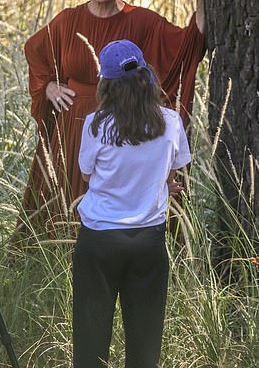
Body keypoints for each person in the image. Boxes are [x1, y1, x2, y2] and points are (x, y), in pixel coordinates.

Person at [17, 0, 205, 237]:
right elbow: (34, 50)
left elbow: (188, 45)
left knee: (114, 212)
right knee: (64, 207)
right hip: (73, 126)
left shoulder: (141, 21)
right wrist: (49, 86)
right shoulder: (68, 21)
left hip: (123, 128)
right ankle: (62, 267)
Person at [73, 39, 190, 368]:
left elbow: (86, 176)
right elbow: (173, 169)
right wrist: (163, 182)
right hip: (148, 241)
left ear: (105, 84)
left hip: (98, 240)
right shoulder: (170, 122)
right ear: (146, 76)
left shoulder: (96, 125)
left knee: (90, 342)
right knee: (144, 345)